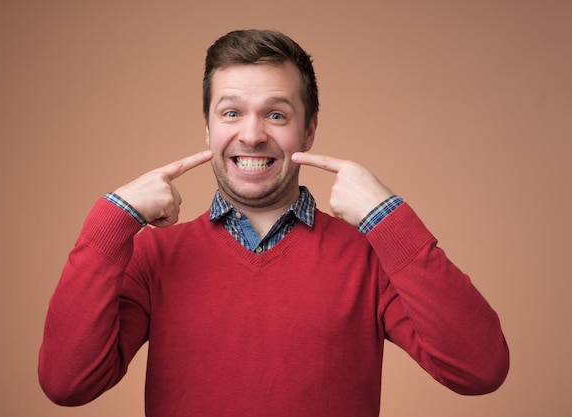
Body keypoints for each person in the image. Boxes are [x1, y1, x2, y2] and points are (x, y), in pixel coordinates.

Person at [39, 29, 509, 417]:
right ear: (208, 129)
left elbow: (479, 370)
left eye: (276, 114)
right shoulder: (153, 256)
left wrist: (388, 219)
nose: (252, 134)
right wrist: (112, 218)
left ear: (309, 129)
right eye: (231, 113)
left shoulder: (369, 255)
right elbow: (68, 383)